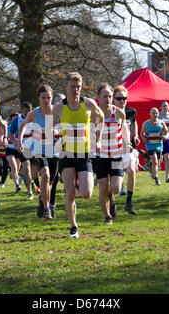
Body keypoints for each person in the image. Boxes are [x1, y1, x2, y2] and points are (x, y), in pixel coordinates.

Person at [52, 72, 104, 238]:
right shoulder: (59, 107)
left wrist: (98, 138)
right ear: (66, 87)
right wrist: (53, 130)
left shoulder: (88, 104)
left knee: (87, 193)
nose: (76, 90)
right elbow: (49, 124)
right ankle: (73, 226)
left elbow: (101, 117)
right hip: (66, 154)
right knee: (70, 193)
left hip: (84, 153)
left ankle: (76, 183)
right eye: (73, 86)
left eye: (78, 87)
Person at [18, 84, 59, 221]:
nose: (46, 100)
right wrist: (19, 141)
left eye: (48, 97)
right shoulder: (34, 113)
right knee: (45, 175)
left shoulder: (57, 110)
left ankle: (42, 200)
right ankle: (47, 209)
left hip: (54, 151)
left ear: (52, 97)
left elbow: (64, 125)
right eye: (43, 98)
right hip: (38, 150)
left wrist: (57, 131)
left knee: (51, 182)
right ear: (39, 98)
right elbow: (23, 125)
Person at [91, 83, 130, 225]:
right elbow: (88, 133)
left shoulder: (119, 113)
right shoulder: (92, 115)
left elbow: (124, 129)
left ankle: (112, 199)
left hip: (116, 155)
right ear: (98, 98)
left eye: (110, 96)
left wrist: (128, 143)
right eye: (104, 96)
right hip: (100, 156)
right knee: (102, 187)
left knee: (115, 188)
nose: (108, 99)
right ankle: (107, 216)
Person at [113, 85, 138, 215]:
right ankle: (112, 203)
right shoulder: (108, 112)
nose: (122, 101)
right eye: (119, 99)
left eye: (124, 98)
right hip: (112, 150)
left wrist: (136, 136)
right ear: (113, 99)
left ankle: (129, 201)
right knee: (114, 184)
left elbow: (134, 123)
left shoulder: (131, 112)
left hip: (127, 148)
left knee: (132, 170)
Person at [9, 103, 37, 200]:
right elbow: (11, 134)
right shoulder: (17, 119)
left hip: (34, 147)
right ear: (22, 110)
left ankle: (31, 181)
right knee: (26, 169)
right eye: (26, 111)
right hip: (23, 147)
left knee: (35, 172)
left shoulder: (35, 117)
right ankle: (30, 193)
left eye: (29, 110)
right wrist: (15, 142)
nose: (28, 112)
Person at [141, 107, 169, 186]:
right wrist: (143, 138)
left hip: (159, 145)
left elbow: (167, 132)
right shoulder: (146, 123)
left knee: (158, 163)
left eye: (156, 113)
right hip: (150, 145)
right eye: (153, 113)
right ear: (150, 114)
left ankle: (152, 169)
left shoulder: (161, 123)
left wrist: (165, 137)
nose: (155, 115)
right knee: (155, 161)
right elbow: (141, 132)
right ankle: (157, 179)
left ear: (158, 114)